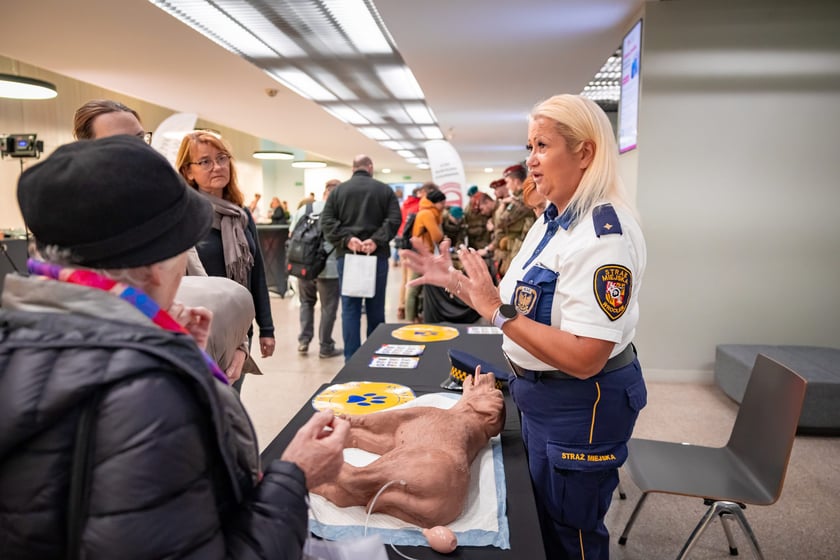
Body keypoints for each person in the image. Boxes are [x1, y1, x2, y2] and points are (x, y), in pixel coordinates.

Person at [0, 135, 349, 558]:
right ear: (155, 263)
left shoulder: (20, 332)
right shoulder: (150, 393)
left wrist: (173, 350)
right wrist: (296, 476)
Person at [401, 94, 647, 560]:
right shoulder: (553, 221)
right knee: (541, 520)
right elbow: (522, 302)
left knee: (569, 535)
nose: (530, 161)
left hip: (579, 406)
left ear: (585, 153)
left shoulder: (603, 237)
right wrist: (455, 281)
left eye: (542, 146)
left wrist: (496, 310)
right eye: (529, 146)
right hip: (540, 394)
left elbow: (584, 356)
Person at [72, 99, 254, 382]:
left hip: (187, 349)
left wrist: (237, 341)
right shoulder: (71, 214)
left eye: (140, 138)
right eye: (120, 142)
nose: (138, 150)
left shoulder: (162, 200)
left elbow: (202, 279)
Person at [312, 368, 504, 528]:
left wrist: (352, 421)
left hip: (436, 467)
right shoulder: (466, 433)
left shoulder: (441, 417)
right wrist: (351, 434)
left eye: (483, 393)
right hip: (450, 495)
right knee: (355, 489)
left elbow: (387, 420)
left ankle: (312, 468)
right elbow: (393, 437)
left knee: (355, 480)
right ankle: (349, 491)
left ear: (485, 411)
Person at [176, 131, 276, 391]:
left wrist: (266, 327)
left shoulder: (241, 216)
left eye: (222, 158)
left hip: (239, 329)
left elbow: (257, 274)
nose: (218, 167)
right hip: (200, 330)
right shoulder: (182, 215)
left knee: (232, 398)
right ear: (188, 171)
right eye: (205, 161)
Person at [320, 154, 401, 360]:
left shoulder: (338, 191)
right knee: (376, 308)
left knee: (350, 309)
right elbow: (394, 219)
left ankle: (352, 358)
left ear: (353, 168)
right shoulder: (384, 190)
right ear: (370, 167)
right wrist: (376, 240)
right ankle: (376, 355)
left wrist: (347, 239)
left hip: (348, 257)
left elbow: (327, 221)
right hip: (377, 256)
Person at [289, 179, 342, 358]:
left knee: (306, 302)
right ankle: (325, 346)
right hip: (330, 268)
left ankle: (304, 341)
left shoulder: (305, 209)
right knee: (328, 308)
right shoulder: (339, 212)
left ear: (324, 192)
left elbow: (292, 235)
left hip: (303, 266)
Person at [405, 188, 446, 323]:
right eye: (442, 203)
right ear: (436, 202)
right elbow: (437, 236)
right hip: (421, 253)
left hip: (425, 252)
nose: (444, 206)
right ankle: (410, 319)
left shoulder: (430, 212)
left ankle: (416, 316)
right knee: (415, 286)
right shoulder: (428, 213)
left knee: (421, 285)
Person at [396, 182, 433, 319]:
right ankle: (410, 314)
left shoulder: (405, 205)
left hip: (402, 243)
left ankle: (401, 307)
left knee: (404, 279)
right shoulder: (420, 207)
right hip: (413, 246)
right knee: (412, 282)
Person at [493, 163, 536, 278]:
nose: (507, 186)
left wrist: (502, 206)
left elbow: (500, 222)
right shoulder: (516, 199)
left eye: (508, 182)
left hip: (518, 248)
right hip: (512, 249)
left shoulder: (522, 200)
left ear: (516, 181)